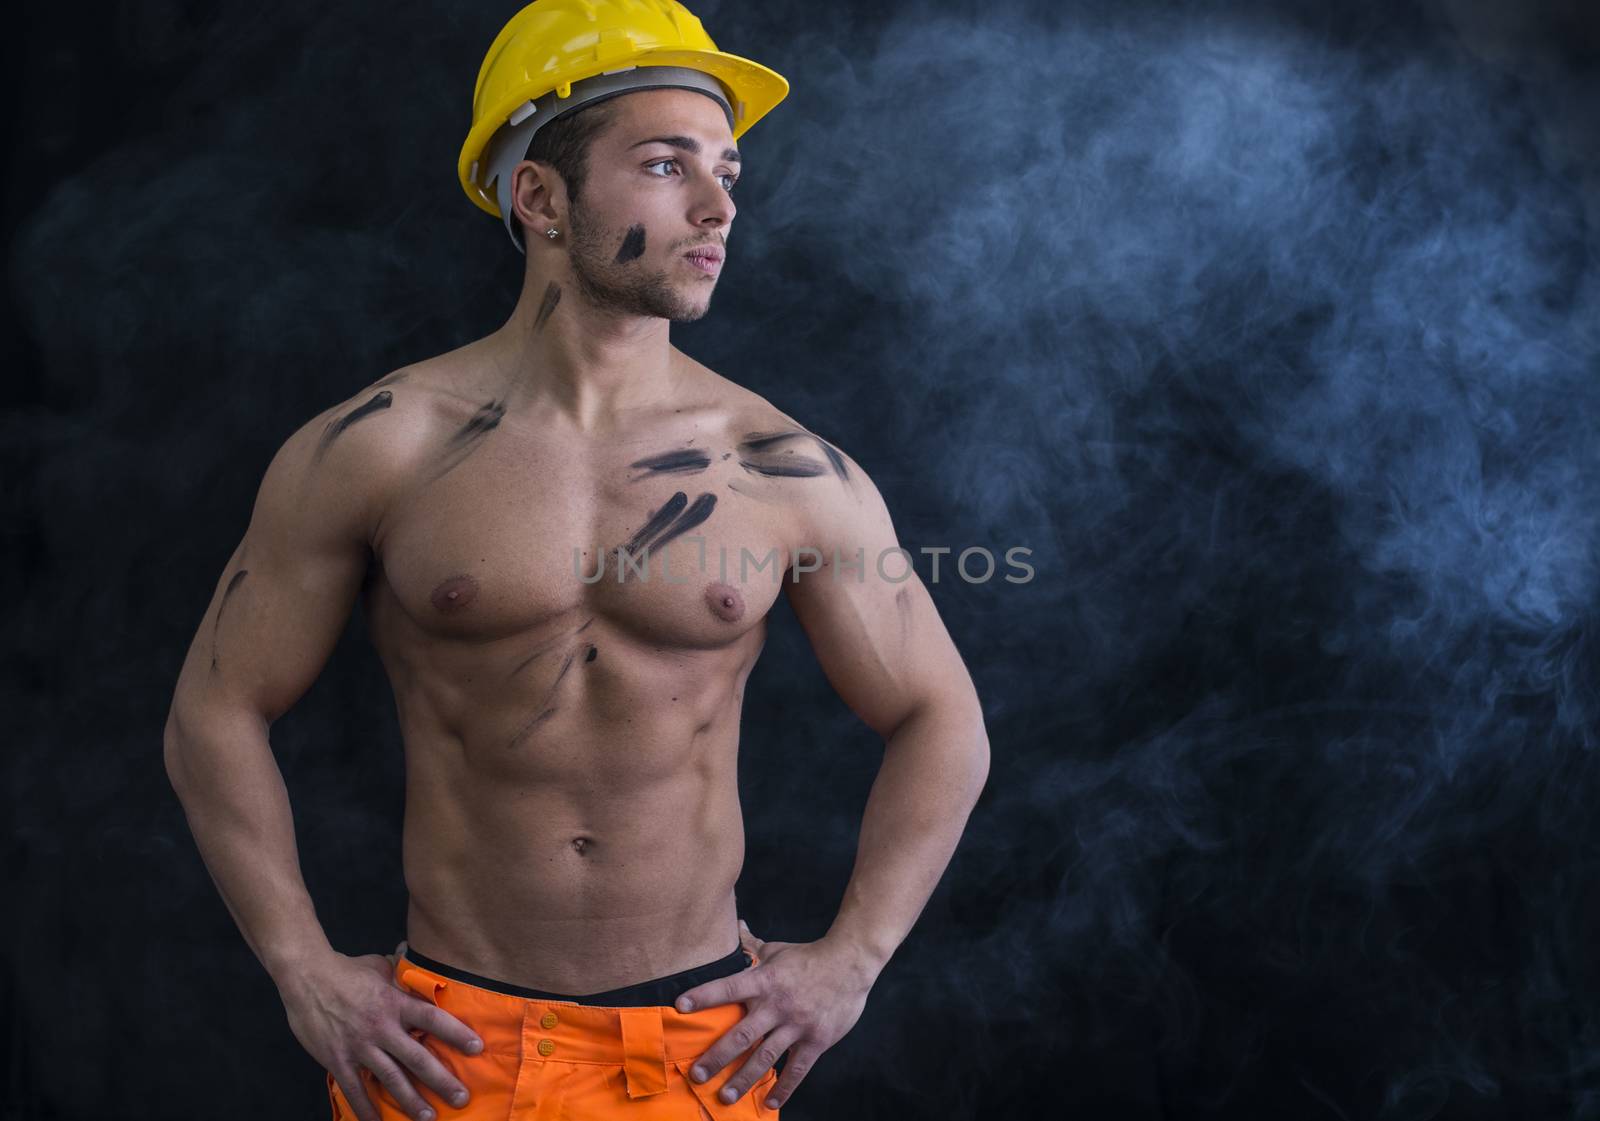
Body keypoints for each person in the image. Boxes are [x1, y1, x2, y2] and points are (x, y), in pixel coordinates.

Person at [162, 2, 990, 1119]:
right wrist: (301, 965)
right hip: (443, 1051)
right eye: (664, 165)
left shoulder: (782, 467)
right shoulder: (379, 444)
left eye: (726, 171)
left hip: (699, 1050)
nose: (717, 206)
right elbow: (213, 710)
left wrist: (853, 960)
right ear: (539, 196)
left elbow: (943, 716)